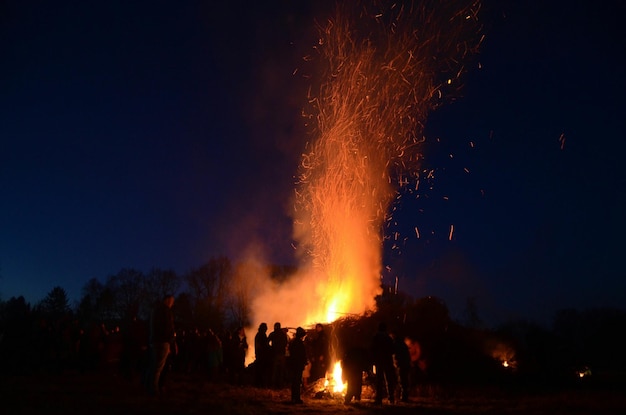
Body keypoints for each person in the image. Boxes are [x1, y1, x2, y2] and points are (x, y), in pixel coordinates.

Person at [145, 295, 176, 396]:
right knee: (158, 367)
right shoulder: (166, 312)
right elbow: (169, 327)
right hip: (163, 341)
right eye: (172, 301)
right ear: (167, 301)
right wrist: (172, 341)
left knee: (153, 365)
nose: (173, 303)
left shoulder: (154, 311)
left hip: (154, 341)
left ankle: (148, 385)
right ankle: (153, 390)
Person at [371, 322, 397, 404]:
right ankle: (391, 398)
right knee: (389, 380)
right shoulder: (388, 338)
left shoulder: (376, 337)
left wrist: (373, 359)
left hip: (379, 361)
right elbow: (393, 350)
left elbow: (373, 349)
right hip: (388, 361)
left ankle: (379, 399)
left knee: (379, 380)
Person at [287, 327, 308, 404]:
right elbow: (302, 355)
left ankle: (294, 398)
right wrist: (305, 362)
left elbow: (289, 353)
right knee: (297, 381)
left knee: (294, 382)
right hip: (298, 365)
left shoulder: (293, 342)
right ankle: (297, 398)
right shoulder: (300, 344)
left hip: (293, 365)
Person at [268, 322, 288, 388]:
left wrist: (271, 348)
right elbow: (286, 343)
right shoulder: (283, 335)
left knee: (274, 370)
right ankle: (280, 385)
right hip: (282, 354)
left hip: (275, 354)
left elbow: (267, 341)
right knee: (281, 370)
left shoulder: (272, 334)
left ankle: (273, 384)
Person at [393, 332, 411, 402]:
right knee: (404, 380)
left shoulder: (397, 344)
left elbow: (395, 353)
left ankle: (404, 396)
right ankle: (404, 396)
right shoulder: (403, 345)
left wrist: (396, 362)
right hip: (405, 364)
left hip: (402, 364)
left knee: (402, 380)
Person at [254, 322, 270, 387]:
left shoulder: (258, 334)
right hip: (262, 355)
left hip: (259, 354)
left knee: (259, 369)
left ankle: (258, 383)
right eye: (266, 328)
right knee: (262, 370)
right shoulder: (262, 335)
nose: (266, 329)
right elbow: (264, 344)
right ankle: (261, 384)